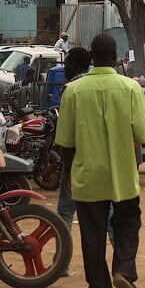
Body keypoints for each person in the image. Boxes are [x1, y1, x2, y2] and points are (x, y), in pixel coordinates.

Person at [55, 35, 145, 288]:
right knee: (127, 225)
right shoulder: (130, 89)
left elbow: (66, 142)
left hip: (87, 177)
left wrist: (68, 176)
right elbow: (142, 134)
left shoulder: (73, 91)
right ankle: (124, 270)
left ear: (92, 55)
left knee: (92, 235)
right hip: (122, 175)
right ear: (114, 55)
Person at [56, 47, 93, 230]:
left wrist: (68, 170)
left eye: (66, 65)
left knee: (65, 210)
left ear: (73, 66)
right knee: (105, 211)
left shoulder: (70, 90)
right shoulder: (95, 87)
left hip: (76, 160)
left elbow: (66, 136)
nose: (64, 69)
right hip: (97, 159)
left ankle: (61, 253)